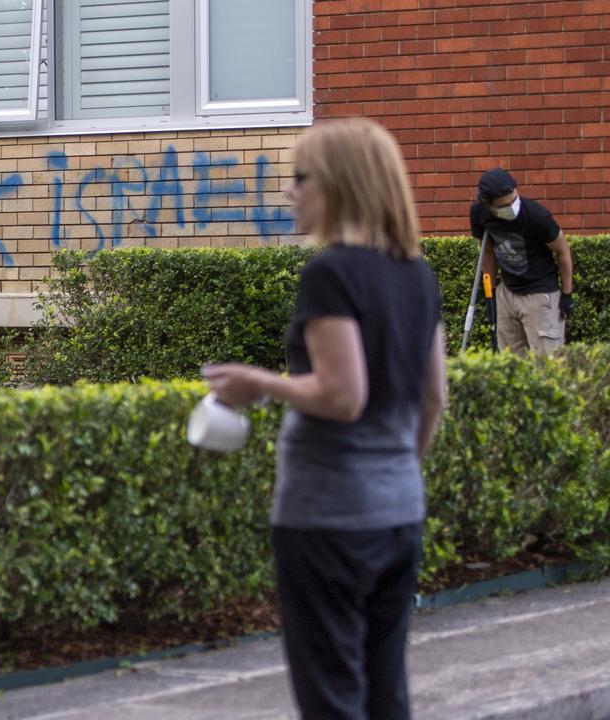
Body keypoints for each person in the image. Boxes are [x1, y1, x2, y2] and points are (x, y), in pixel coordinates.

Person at [202, 118, 447, 720]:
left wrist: (255, 383)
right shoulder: (417, 274)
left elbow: (342, 396)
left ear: (338, 184)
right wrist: (393, 475)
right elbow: (434, 396)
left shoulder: (331, 273)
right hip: (398, 511)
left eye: (300, 178)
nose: (289, 191)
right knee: (385, 691)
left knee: (332, 694)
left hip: (328, 516)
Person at [470, 168, 574, 355]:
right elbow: (487, 252)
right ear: (489, 205)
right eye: (504, 205)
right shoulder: (479, 213)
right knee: (511, 363)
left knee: (548, 363)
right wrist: (490, 293)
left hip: (541, 295)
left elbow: (562, 251)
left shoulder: (537, 216)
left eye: (514, 200)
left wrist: (566, 293)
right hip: (507, 293)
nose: (512, 207)